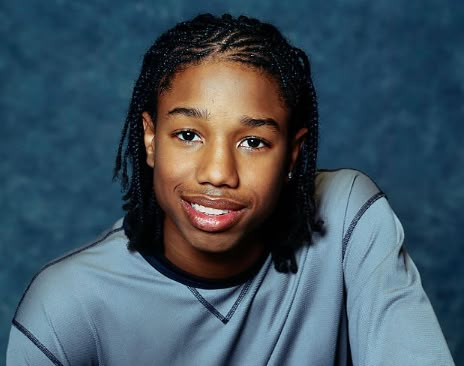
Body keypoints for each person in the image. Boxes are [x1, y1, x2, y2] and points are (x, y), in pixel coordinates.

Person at [7, 13, 454, 365]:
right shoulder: (67, 307)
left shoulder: (346, 221)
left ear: (292, 156)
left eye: (253, 142)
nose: (219, 173)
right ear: (149, 139)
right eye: (187, 135)